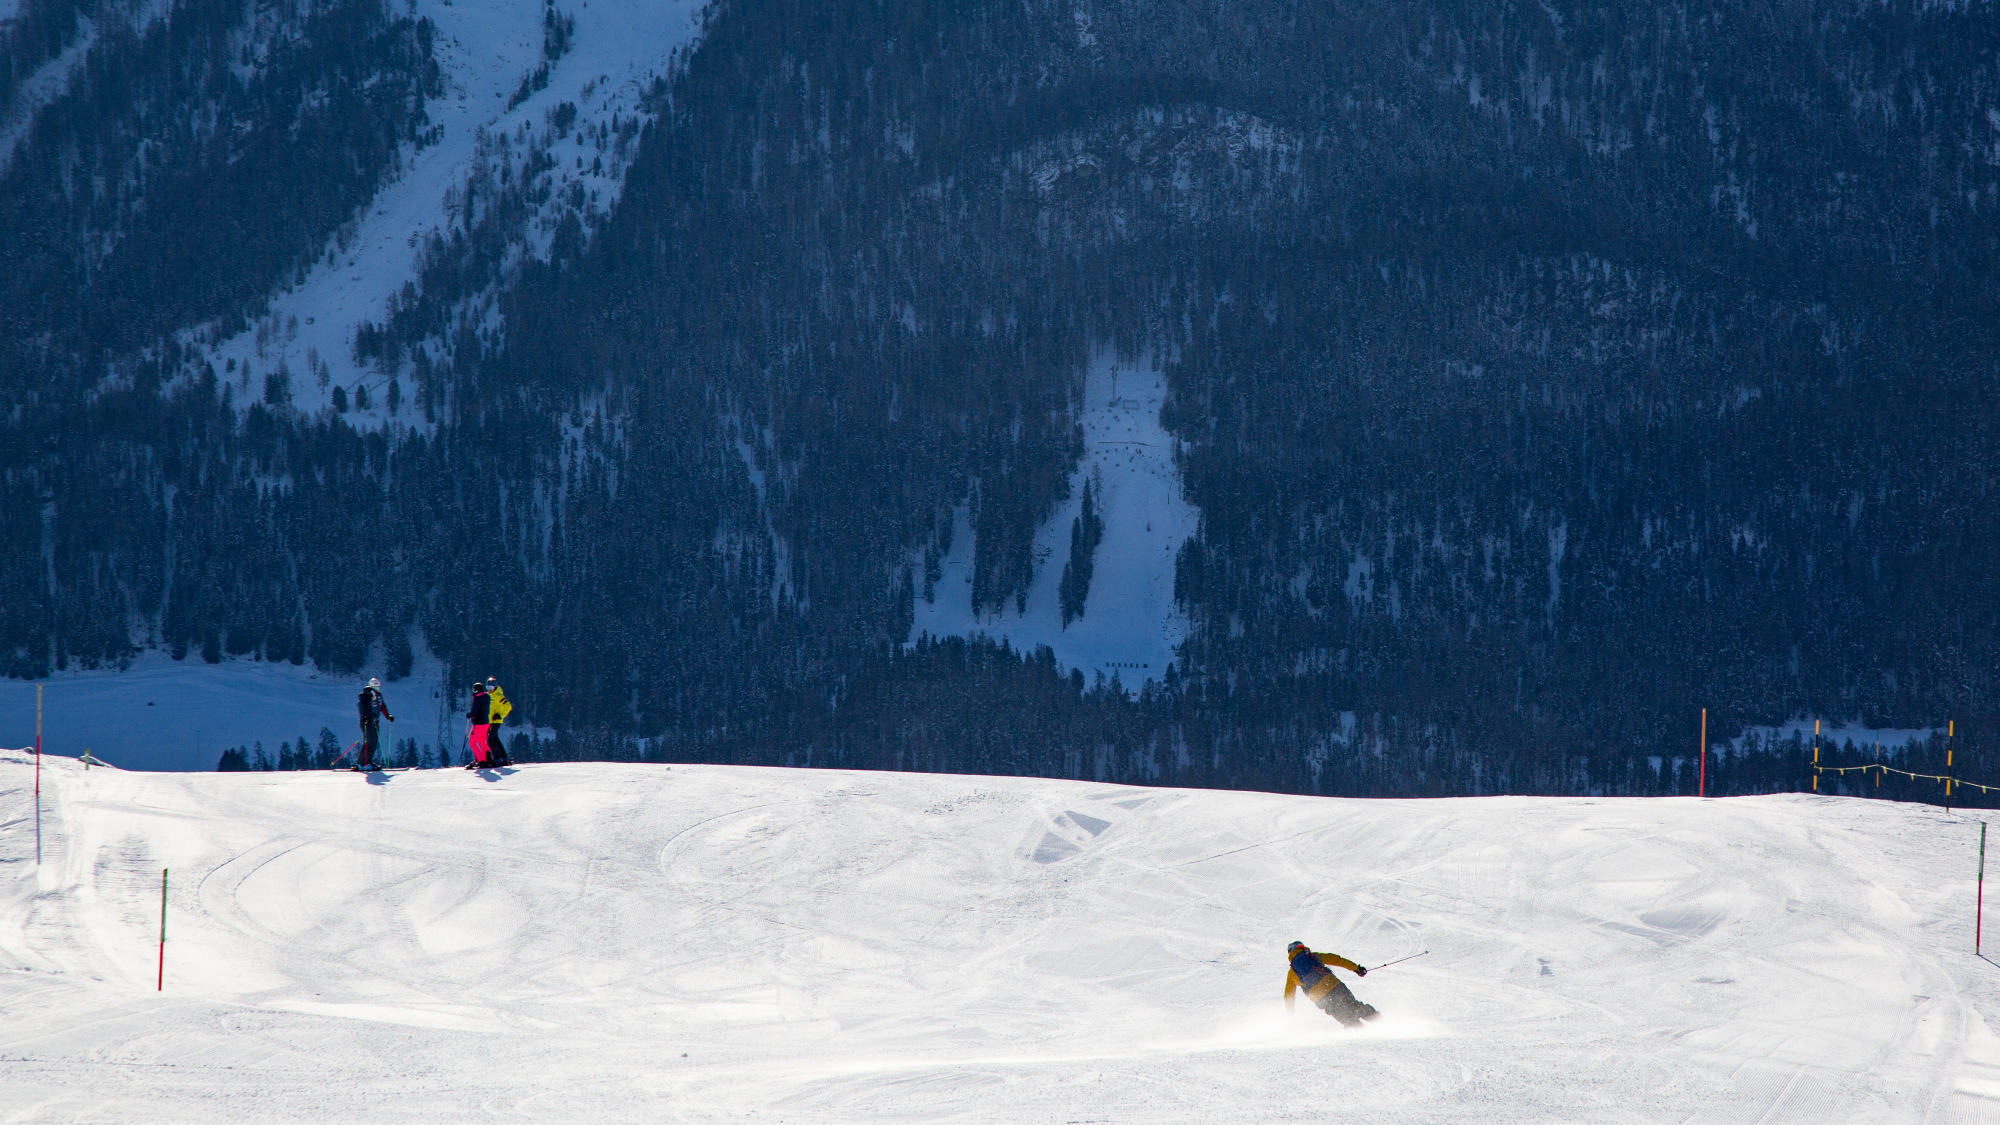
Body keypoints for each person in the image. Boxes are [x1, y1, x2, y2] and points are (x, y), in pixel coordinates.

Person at [1284, 941, 1379, 1027]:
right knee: (1353, 1006)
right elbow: (1337, 960)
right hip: (1334, 985)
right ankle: (1381, 1022)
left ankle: (1360, 1032)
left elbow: (1289, 995)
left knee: (1343, 1016)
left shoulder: (1292, 972)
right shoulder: (1315, 956)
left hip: (1319, 998)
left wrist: (1290, 1014)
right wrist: (1356, 969)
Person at [355, 677, 394, 771]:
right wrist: (365, 717)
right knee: (370, 742)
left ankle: (365, 762)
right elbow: (362, 707)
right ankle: (363, 764)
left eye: (377, 688)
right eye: (374, 688)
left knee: (373, 742)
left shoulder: (379, 695)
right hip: (368, 722)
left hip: (375, 721)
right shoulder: (366, 697)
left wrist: (387, 715)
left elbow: (382, 706)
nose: (376, 690)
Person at [484, 677, 513, 767]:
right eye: (488, 687)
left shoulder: (498, 696)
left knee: (489, 740)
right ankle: (503, 757)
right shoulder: (488, 695)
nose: (490, 689)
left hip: (496, 721)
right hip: (490, 721)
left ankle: (497, 758)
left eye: (491, 687)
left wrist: (500, 715)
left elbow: (508, 706)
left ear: (495, 687)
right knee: (495, 739)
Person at [465, 680, 492, 769]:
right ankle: (488, 759)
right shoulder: (486, 697)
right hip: (486, 723)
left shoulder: (477, 698)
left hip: (479, 723)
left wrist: (469, 715)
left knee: (472, 742)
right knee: (482, 741)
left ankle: (480, 761)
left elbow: (474, 710)